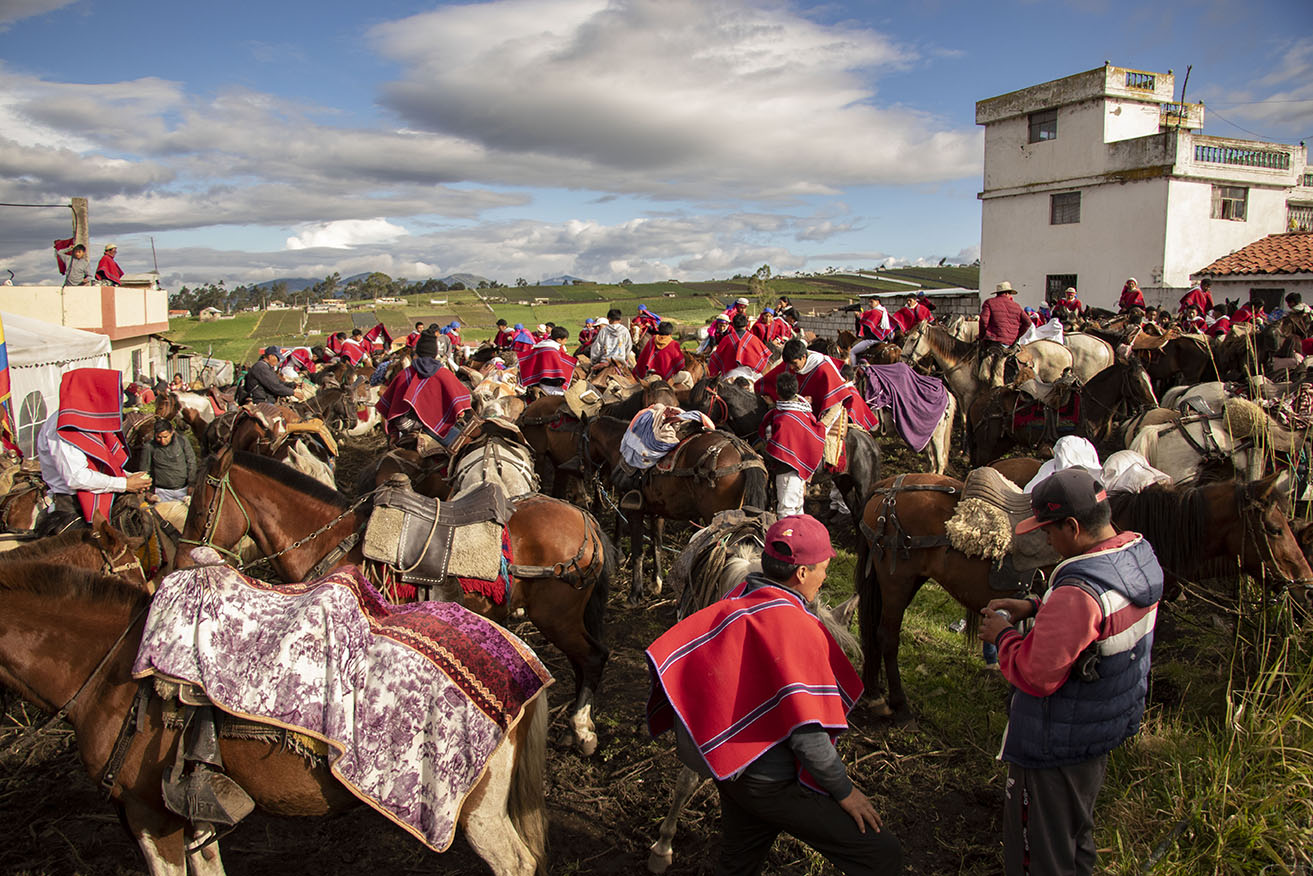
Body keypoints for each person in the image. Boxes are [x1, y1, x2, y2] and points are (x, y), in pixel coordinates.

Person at [647, 514, 902, 876]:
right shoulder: (796, 627)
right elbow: (809, 737)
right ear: (800, 574)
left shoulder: (734, 601)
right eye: (824, 568)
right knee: (882, 853)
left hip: (730, 771)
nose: (826, 577)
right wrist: (846, 793)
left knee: (738, 863)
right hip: (771, 783)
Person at [979, 469, 1162, 876]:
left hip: (1053, 743)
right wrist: (1037, 606)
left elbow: (1036, 675)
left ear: (1073, 526)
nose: (1045, 539)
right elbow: (1098, 627)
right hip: (1098, 730)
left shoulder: (1077, 592)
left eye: (1048, 530)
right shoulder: (1138, 557)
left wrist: (1004, 634)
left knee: (1038, 854)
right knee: (1075, 836)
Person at [35, 368, 151, 535]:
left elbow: (103, 465)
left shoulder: (88, 421)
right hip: (72, 509)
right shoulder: (62, 426)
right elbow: (76, 477)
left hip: (102, 499)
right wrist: (124, 484)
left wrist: (129, 477)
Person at [376, 330, 472, 448]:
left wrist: (394, 433)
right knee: (465, 444)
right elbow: (461, 403)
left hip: (404, 425)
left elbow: (389, 405)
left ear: (417, 353)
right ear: (434, 353)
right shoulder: (443, 373)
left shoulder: (405, 374)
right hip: (430, 426)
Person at [760, 373, 826, 517]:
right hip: (800, 469)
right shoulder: (805, 412)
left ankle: (787, 538)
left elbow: (773, 448)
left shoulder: (782, 420)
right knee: (797, 507)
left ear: (777, 391)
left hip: (787, 470)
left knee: (786, 510)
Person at [979, 281, 1030, 386]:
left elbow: (984, 321)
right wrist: (1016, 336)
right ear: (1007, 293)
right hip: (1010, 343)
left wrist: (982, 336)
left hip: (994, 341)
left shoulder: (989, 302)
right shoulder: (1016, 306)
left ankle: (983, 383)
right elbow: (1028, 322)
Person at [140, 419, 196, 503]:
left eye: (165, 437)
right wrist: (148, 492)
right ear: (155, 434)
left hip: (184, 491)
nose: (162, 441)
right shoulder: (149, 447)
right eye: (159, 437)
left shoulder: (182, 441)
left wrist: (192, 485)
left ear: (171, 432)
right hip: (161, 492)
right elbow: (145, 470)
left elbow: (191, 462)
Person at [708, 313, 771, 383]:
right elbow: (764, 360)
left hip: (729, 376)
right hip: (750, 375)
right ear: (747, 324)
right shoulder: (754, 339)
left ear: (733, 325)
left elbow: (715, 359)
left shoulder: (726, 339)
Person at [518, 325, 577, 396]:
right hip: (548, 386)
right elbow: (558, 371)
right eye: (565, 340)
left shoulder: (541, 346)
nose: (565, 342)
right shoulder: (552, 351)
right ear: (559, 340)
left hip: (537, 381)